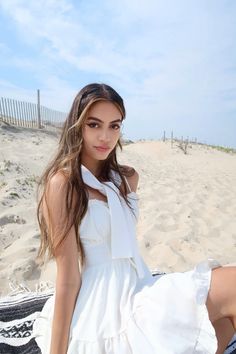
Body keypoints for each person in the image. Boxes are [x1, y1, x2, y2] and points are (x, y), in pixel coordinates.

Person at [32, 83, 236, 354]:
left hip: (141, 281)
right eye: (94, 124)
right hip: (104, 302)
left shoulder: (127, 179)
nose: (105, 136)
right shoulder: (63, 184)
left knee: (222, 327)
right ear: (77, 126)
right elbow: (68, 276)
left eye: (114, 126)